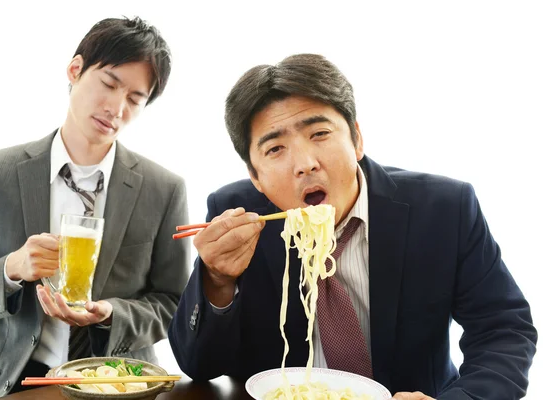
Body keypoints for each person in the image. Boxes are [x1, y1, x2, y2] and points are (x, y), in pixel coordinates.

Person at [168, 54, 537, 399]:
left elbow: (503, 328)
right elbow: (199, 365)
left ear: (356, 138)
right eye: (275, 149)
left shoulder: (444, 208)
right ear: (255, 176)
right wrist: (217, 280)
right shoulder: (235, 213)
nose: (305, 164)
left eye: (319, 134)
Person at [0, 16, 190, 399]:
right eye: (109, 83)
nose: (116, 108)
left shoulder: (164, 189)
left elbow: (174, 304)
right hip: (19, 381)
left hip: (118, 381)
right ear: (76, 69)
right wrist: (12, 268)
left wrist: (112, 314)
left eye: (134, 99)